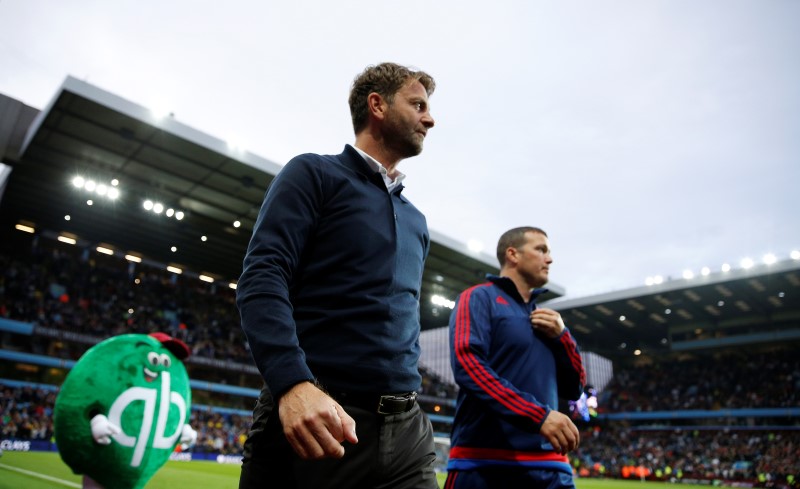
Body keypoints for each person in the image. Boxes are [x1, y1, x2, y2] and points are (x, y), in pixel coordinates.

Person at [236, 62, 438, 489]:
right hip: (321, 419)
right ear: (377, 105)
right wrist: (292, 384)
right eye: (418, 104)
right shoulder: (315, 174)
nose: (430, 118)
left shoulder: (416, 220)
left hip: (409, 435)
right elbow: (262, 276)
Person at [445, 226, 586, 489]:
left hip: (552, 469)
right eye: (541, 249)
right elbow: (468, 365)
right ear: (513, 254)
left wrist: (563, 337)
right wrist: (537, 416)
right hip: (485, 464)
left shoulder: (549, 322)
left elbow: (575, 388)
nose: (549, 259)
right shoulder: (478, 298)